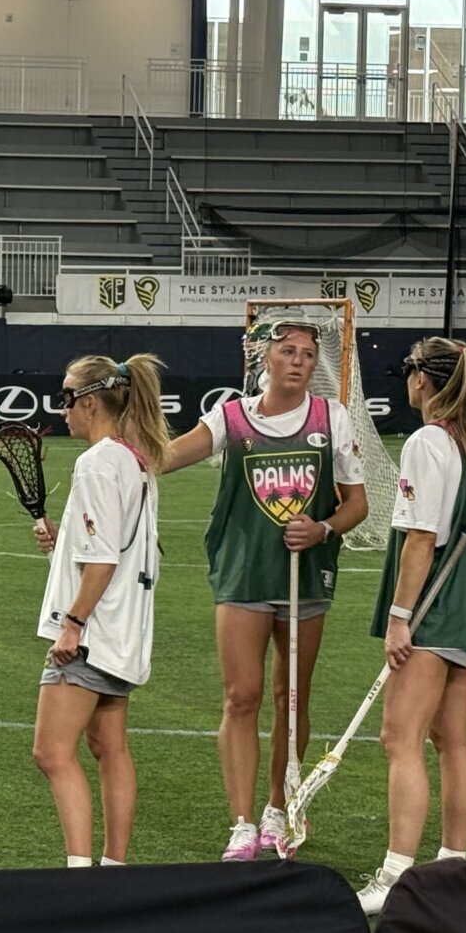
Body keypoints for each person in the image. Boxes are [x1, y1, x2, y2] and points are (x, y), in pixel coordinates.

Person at [164, 319, 368, 860]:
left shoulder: (333, 418)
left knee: (291, 698)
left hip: (305, 576)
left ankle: (279, 808)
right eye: (287, 351)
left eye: (306, 354)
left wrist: (323, 528)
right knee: (241, 697)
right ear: (265, 359)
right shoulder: (231, 418)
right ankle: (241, 822)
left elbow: (356, 504)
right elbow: (168, 457)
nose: (298, 361)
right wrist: (120, 443)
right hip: (243, 573)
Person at [357, 339, 466, 916]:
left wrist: (399, 618)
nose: (406, 379)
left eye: (410, 370)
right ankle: (452, 864)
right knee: (453, 741)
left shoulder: (429, 441)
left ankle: (397, 874)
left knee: (401, 739)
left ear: (424, 380)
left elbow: (421, 538)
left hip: (433, 611)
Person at [31, 355, 168, 869]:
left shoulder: (96, 463)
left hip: (92, 633)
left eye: (67, 398)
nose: (63, 409)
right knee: (110, 748)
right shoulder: (135, 459)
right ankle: (113, 869)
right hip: (123, 634)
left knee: (51, 752)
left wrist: (72, 624)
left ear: (89, 403)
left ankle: (79, 874)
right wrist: (60, 541)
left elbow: (103, 559)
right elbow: (115, 547)